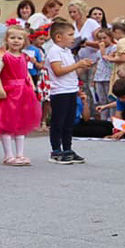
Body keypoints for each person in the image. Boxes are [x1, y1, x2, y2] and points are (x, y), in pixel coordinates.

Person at [0, 26, 42, 166]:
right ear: (6, 40)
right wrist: (0, 88)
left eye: (19, 38)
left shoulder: (24, 56)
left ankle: (20, 154)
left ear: (24, 41)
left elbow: (25, 72)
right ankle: (8, 155)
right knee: (7, 123)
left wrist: (31, 84)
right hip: (9, 92)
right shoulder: (5, 56)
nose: (16, 41)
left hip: (23, 92)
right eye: (12, 38)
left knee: (21, 123)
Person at [45, 21, 93, 165]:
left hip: (70, 89)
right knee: (58, 122)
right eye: (70, 35)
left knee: (68, 122)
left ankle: (67, 149)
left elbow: (71, 71)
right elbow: (58, 71)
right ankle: (55, 151)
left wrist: (82, 66)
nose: (73, 38)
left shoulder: (67, 51)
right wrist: (77, 64)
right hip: (59, 91)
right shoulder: (54, 51)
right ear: (58, 37)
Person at [67, 0, 100, 105]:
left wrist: (87, 43)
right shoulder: (72, 25)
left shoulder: (91, 23)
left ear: (81, 11)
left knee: (92, 86)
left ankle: (97, 111)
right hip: (80, 60)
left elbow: (101, 42)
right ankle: (87, 112)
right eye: (70, 12)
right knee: (83, 87)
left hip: (93, 60)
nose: (72, 14)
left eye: (74, 12)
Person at [25, 27, 50, 131]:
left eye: (44, 40)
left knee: (41, 98)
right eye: (40, 39)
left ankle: (41, 121)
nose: (42, 42)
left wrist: (34, 61)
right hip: (24, 76)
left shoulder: (37, 51)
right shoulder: (22, 49)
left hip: (36, 76)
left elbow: (41, 65)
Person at [93, 28, 115, 120]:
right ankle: (103, 119)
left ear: (110, 37)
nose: (102, 41)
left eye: (104, 38)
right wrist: (93, 78)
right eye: (100, 39)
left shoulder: (114, 48)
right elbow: (98, 63)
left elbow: (109, 62)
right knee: (102, 99)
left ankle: (112, 119)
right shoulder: (98, 51)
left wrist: (103, 51)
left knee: (110, 99)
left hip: (108, 77)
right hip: (99, 77)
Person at [106, 19, 125, 89]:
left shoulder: (122, 41)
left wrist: (110, 59)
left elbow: (123, 58)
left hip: (124, 70)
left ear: (116, 32)